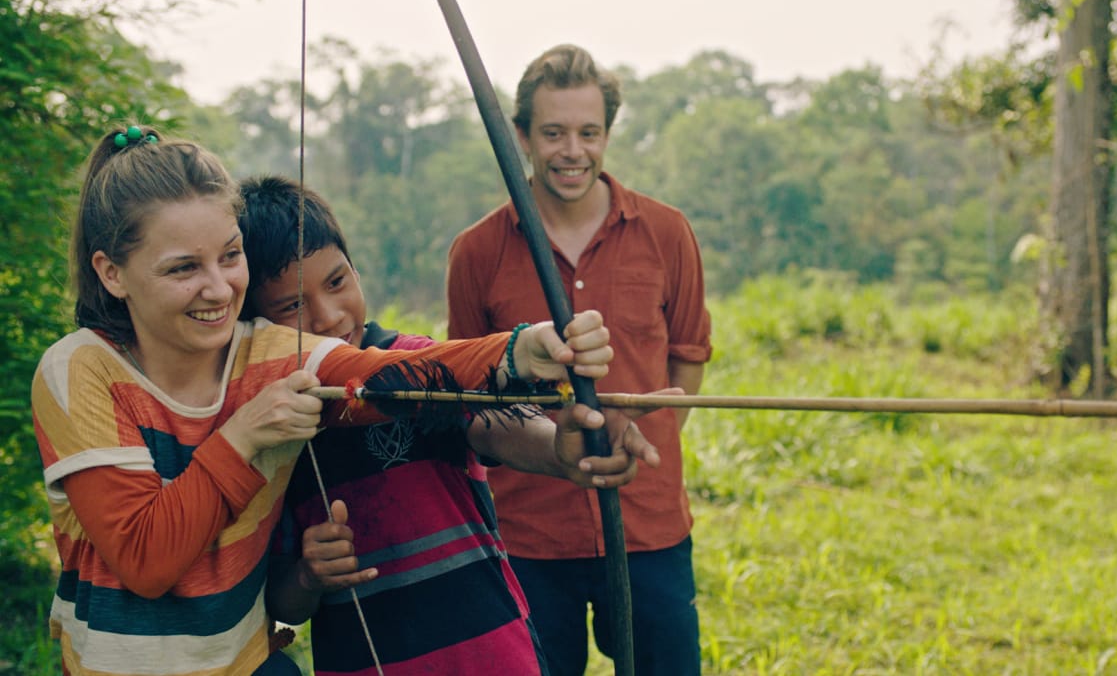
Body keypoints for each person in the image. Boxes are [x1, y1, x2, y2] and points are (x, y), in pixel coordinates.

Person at [31, 125, 617, 676]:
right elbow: (146, 560)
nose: (217, 288)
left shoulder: (269, 351)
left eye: (229, 256)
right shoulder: (80, 368)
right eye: (183, 267)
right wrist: (242, 437)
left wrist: (523, 351)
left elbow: (388, 376)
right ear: (111, 273)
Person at [238, 175, 668, 674]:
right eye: (292, 305)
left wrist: (562, 450)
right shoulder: (272, 419)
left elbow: (494, 424)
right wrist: (310, 576)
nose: (329, 316)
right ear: (259, 325)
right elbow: (284, 603)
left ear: (357, 270)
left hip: (493, 654)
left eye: (338, 282)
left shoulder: (416, 363)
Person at [446, 44, 713, 675]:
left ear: (608, 135)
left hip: (648, 525)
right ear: (522, 137)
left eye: (589, 133)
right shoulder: (477, 251)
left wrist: (647, 432)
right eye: (554, 133)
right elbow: (469, 393)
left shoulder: (666, 232)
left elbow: (687, 357)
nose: (573, 151)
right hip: (529, 532)